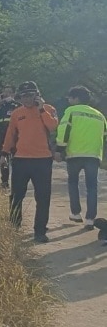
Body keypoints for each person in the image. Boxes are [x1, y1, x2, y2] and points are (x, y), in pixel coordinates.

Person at [3, 81, 59, 244]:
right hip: (21, 160)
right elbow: (10, 134)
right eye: (24, 96)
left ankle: (40, 231)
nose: (27, 99)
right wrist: (4, 153)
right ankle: (14, 226)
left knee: (43, 197)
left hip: (43, 160)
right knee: (16, 195)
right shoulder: (16, 113)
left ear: (37, 94)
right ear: (19, 97)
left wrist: (41, 108)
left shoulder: (49, 109)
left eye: (30, 95)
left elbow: (53, 126)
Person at [55, 86, 106, 230]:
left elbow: (64, 130)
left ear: (76, 98)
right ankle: (90, 219)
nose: (69, 101)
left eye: (70, 98)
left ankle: (76, 213)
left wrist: (60, 149)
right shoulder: (99, 115)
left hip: (75, 154)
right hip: (94, 155)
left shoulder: (71, 111)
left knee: (73, 182)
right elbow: (104, 135)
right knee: (92, 187)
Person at [0, 85, 21, 189]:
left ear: (13, 94)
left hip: (15, 137)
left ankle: (17, 181)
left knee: (16, 160)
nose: (6, 94)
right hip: (1, 136)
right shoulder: (0, 106)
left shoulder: (17, 105)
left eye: (9, 92)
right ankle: (4, 181)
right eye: (5, 92)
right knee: (3, 160)